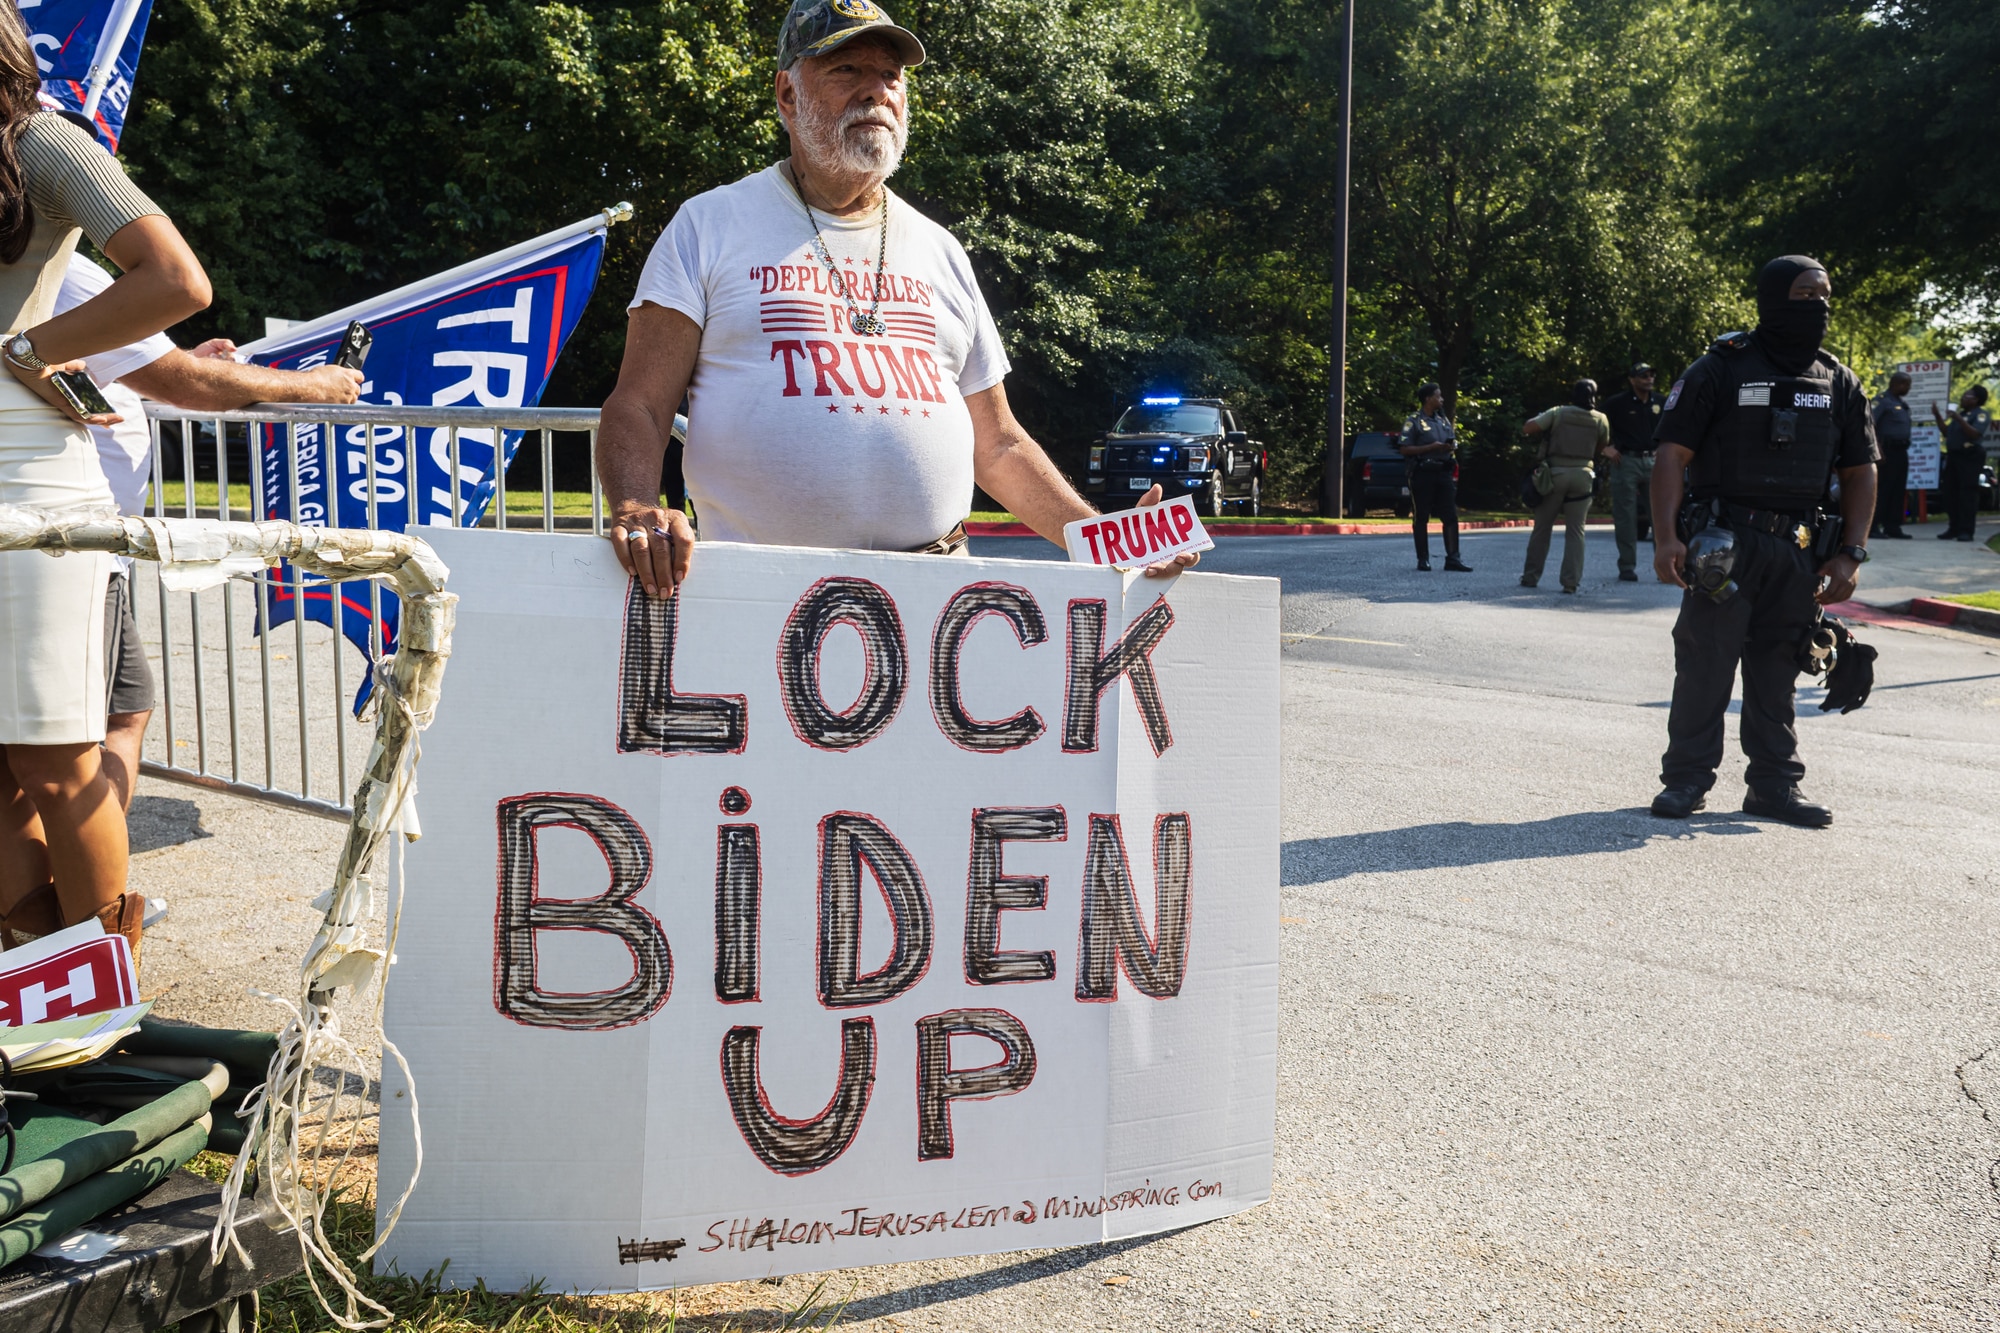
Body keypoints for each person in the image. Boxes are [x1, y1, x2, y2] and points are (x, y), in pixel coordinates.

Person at [595, 0, 1196, 594]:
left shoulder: (940, 250)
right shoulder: (709, 226)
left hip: (935, 601)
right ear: (787, 94)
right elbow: (640, 407)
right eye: (846, 70)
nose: (875, 91)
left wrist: (1105, 538)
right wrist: (634, 506)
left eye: (890, 75)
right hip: (759, 594)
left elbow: (1000, 444)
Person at [0, 5, 212, 967]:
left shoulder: (40, 140)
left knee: (53, 754)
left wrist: (29, 349)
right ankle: (33, 978)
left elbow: (175, 279)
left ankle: (97, 1000)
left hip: (29, 473)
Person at [52, 252, 363, 823]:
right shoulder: (65, 271)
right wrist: (311, 384)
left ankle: (59, 888)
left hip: (81, 543)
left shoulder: (46, 271)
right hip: (79, 547)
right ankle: (78, 899)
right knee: (70, 743)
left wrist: (178, 363)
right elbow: (189, 385)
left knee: (111, 717)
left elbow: (136, 376)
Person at [1647, 255, 1877, 828]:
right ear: (1774, 299)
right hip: (1725, 546)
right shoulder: (1718, 369)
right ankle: (1687, 781)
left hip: (1798, 549)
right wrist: (1666, 539)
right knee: (1706, 664)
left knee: (1779, 670)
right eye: (1804, 295)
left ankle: (1774, 787)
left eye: (1824, 295)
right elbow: (1672, 456)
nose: (1818, 306)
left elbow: (1861, 472)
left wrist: (1851, 552)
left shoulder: (1839, 381)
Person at [1519, 379, 1609, 594]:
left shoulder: (1558, 412)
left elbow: (1528, 428)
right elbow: (1602, 445)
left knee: (1542, 528)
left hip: (1554, 476)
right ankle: (1570, 582)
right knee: (1576, 532)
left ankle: (1531, 577)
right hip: (1583, 476)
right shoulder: (1600, 419)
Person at [1398, 382, 1472, 573]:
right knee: (1422, 516)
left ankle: (1453, 558)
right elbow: (1404, 448)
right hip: (1422, 473)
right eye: (1438, 396)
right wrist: (1430, 448)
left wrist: (1450, 446)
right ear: (1428, 398)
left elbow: (1452, 440)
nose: (1442, 399)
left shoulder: (1443, 420)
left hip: (1443, 473)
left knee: (1450, 516)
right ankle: (1423, 559)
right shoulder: (1413, 421)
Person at [1599, 362, 1664, 580]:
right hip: (1625, 461)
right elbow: (1594, 425)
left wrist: (1663, 450)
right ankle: (1627, 567)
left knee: (1660, 515)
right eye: (1643, 375)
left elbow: (1675, 428)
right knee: (1626, 516)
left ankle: (1662, 568)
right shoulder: (1617, 403)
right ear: (1632, 380)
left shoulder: (1660, 402)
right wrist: (1603, 448)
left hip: (1654, 462)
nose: (1649, 378)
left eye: (1651, 374)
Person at [1932, 385, 1989, 542]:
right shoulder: (1962, 415)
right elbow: (1946, 433)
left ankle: (1966, 531)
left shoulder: (1981, 415)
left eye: (1967, 396)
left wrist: (1957, 418)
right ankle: (1953, 528)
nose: (1963, 398)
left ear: (1976, 399)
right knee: (1950, 493)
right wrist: (1938, 416)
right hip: (1954, 456)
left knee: (1967, 495)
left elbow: (1975, 433)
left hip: (1970, 457)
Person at [1870, 371, 1913, 538]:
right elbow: (1870, 423)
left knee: (1898, 490)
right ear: (1896, 384)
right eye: (1906, 384)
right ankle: (1873, 526)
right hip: (1885, 450)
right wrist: (1877, 449)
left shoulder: (1901, 403)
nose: (1908, 388)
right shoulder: (1882, 401)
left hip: (1901, 451)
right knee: (1883, 489)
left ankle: (1893, 526)